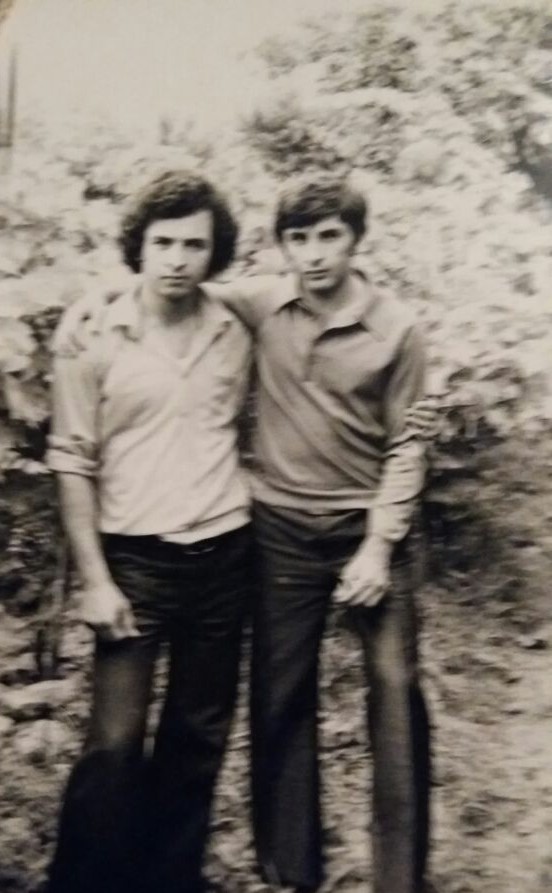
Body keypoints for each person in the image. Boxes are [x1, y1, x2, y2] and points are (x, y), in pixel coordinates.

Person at [59, 173, 433, 893]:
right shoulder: (247, 305)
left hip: (326, 535)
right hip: (241, 538)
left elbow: (410, 439)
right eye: (299, 237)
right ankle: (283, 870)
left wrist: (380, 543)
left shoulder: (378, 328)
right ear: (282, 245)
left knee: (386, 690)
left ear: (357, 240)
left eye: (330, 236)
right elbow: (164, 284)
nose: (315, 253)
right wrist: (94, 298)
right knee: (243, 706)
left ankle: (397, 880)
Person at [46, 170, 253, 893]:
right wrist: (96, 581)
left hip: (225, 554)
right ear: (138, 245)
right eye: (163, 243)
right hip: (135, 561)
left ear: (214, 252)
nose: (177, 259)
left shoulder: (236, 327)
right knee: (114, 743)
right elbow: (72, 460)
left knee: (198, 736)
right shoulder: (93, 335)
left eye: (194, 245)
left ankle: (169, 879)